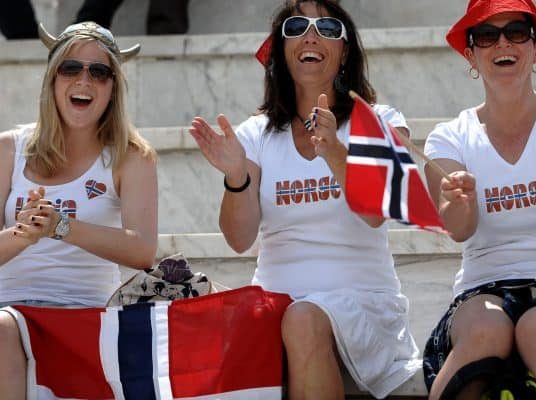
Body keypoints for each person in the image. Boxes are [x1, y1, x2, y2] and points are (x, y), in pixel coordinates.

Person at [189, 1, 420, 399]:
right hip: (277, 304)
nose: (311, 35)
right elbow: (239, 239)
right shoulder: (256, 133)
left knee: (301, 319)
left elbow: (377, 214)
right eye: (297, 26)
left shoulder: (379, 119)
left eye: (328, 28)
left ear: (344, 52)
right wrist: (236, 176)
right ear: (281, 49)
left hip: (362, 305)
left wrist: (333, 151)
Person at [422, 0, 536, 399]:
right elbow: (458, 229)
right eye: (486, 35)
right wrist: (459, 202)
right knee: (487, 328)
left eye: (517, 31)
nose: (503, 43)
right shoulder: (448, 137)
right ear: (470, 53)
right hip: (483, 286)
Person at [0, 21, 157, 398]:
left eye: (99, 72)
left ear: (112, 89)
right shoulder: (8, 149)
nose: (83, 80)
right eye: (70, 68)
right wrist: (24, 235)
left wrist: (60, 227)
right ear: (52, 80)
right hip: (8, 308)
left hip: (85, 312)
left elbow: (142, 250)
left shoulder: (132, 156)